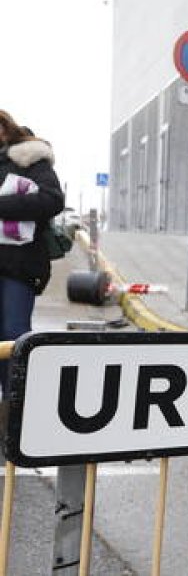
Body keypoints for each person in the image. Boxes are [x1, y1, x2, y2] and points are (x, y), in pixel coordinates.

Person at [0, 110, 64, 396]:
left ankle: (14, 410)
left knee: (13, 336)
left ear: (5, 128)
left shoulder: (30, 158)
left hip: (18, 265)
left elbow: (52, 200)